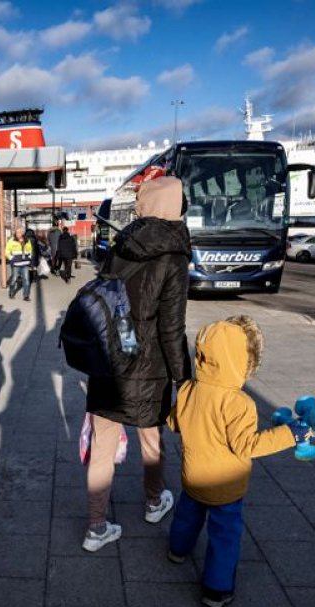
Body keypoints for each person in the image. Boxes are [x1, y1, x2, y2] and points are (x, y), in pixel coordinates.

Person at [83, 176, 191, 552]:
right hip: (150, 366)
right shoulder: (175, 256)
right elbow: (171, 327)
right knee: (151, 438)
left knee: (102, 445)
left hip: (109, 357)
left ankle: (96, 526)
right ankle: (152, 501)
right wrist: (185, 379)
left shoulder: (121, 243)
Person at [167, 316, 306, 607]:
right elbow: (248, 446)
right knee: (225, 534)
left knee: (187, 514)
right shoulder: (239, 403)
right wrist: (289, 434)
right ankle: (216, 589)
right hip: (226, 485)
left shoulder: (189, 389)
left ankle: (177, 550)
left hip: (192, 475)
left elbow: (173, 422)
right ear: (241, 361)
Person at [5, 222, 35, 302]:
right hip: (16, 264)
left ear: (23, 233)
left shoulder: (27, 240)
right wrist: (12, 259)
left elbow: (30, 250)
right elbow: (7, 251)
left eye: (20, 232)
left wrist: (29, 258)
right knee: (14, 279)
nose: (19, 233)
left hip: (25, 264)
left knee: (26, 280)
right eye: (18, 232)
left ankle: (26, 296)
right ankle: (11, 292)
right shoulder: (11, 240)